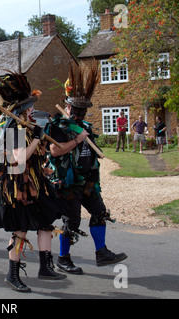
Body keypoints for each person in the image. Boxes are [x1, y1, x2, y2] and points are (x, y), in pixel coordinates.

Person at [46, 62, 127, 275]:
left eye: (83, 110)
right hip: (68, 182)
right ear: (68, 107)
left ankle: (102, 252)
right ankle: (63, 259)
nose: (80, 114)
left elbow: (90, 151)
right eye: (77, 110)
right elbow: (54, 151)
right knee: (71, 221)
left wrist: (90, 143)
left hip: (88, 182)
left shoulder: (85, 127)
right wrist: (78, 140)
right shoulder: (59, 127)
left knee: (99, 213)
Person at [0, 70, 67, 293]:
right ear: (21, 110)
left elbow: (33, 157)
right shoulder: (13, 128)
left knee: (46, 220)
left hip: (34, 183)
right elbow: (20, 157)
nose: (32, 109)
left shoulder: (26, 127)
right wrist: (36, 139)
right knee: (20, 230)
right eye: (29, 107)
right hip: (17, 187)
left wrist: (42, 166)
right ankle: (12, 274)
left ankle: (45, 266)